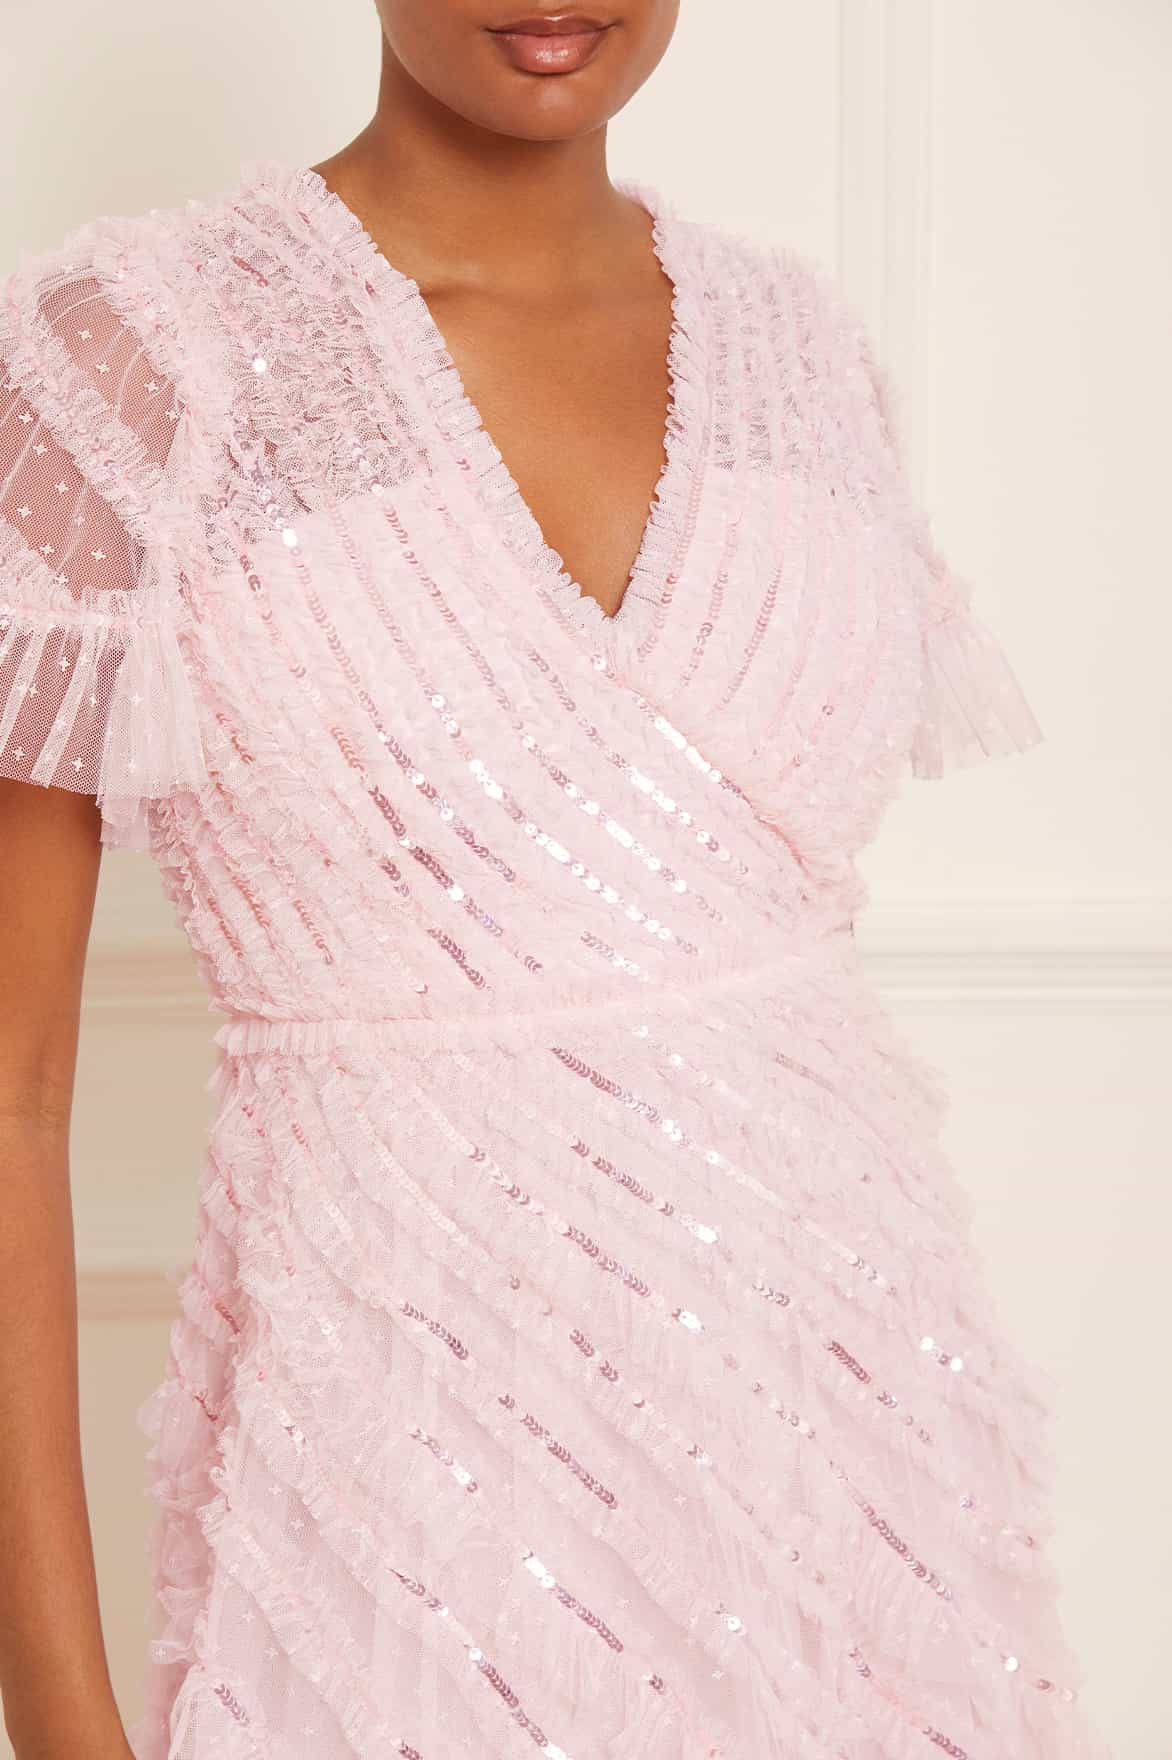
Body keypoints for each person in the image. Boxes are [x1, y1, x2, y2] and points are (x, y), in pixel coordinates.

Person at [0, 4, 1112, 1757]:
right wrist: (59, 1721)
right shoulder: (139, 352)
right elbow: (13, 1084)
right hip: (400, 1483)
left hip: (841, 1451)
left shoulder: (803, 348)